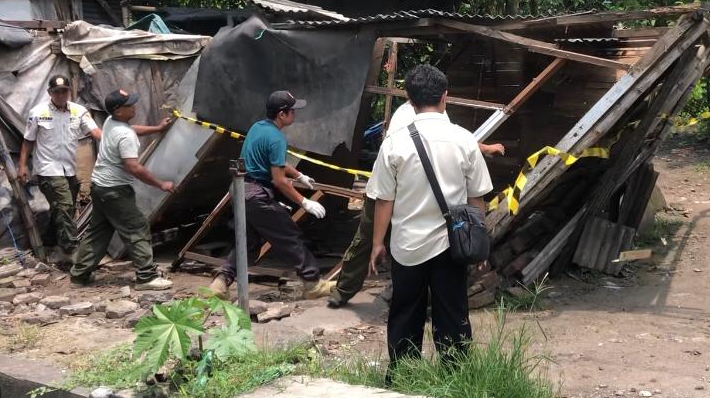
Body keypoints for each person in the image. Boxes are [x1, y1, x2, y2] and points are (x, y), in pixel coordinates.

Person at [367, 65, 493, 371]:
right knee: (452, 312)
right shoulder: (464, 140)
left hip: (407, 246)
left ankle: (404, 374)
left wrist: (377, 243)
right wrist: (479, 243)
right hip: (452, 246)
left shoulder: (394, 143)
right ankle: (456, 374)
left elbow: (384, 199)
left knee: (405, 312)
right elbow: (477, 197)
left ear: (410, 100)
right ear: (445, 97)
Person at [327, 100, 504, 308]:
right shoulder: (405, 115)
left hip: (413, 191)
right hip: (387, 190)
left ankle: (404, 296)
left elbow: (449, 138)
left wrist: (482, 148)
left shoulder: (439, 114)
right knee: (367, 241)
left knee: (412, 242)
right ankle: (343, 291)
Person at [208, 91, 336, 300]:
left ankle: (220, 283)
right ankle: (312, 283)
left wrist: (298, 175)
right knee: (289, 235)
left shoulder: (257, 128)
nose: (294, 114)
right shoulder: (277, 138)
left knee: (248, 244)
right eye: (292, 110)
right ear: (281, 114)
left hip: (240, 190)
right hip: (256, 195)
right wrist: (304, 202)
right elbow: (279, 180)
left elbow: (275, 160)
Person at [69, 89, 174, 290]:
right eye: (129, 105)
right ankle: (146, 277)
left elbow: (132, 129)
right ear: (118, 110)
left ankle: (79, 276)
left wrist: (157, 128)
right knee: (137, 227)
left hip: (99, 187)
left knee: (98, 233)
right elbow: (133, 167)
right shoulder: (124, 135)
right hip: (115, 191)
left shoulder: (111, 122)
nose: (134, 107)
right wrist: (161, 184)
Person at [19, 76, 101, 263]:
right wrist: (22, 166)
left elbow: (95, 132)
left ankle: (49, 243)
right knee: (64, 206)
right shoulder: (38, 112)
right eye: (57, 91)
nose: (61, 95)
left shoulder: (79, 111)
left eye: (64, 91)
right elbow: (28, 141)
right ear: (50, 93)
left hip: (69, 169)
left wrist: (114, 140)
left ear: (69, 91)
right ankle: (71, 252)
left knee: (64, 210)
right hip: (47, 169)